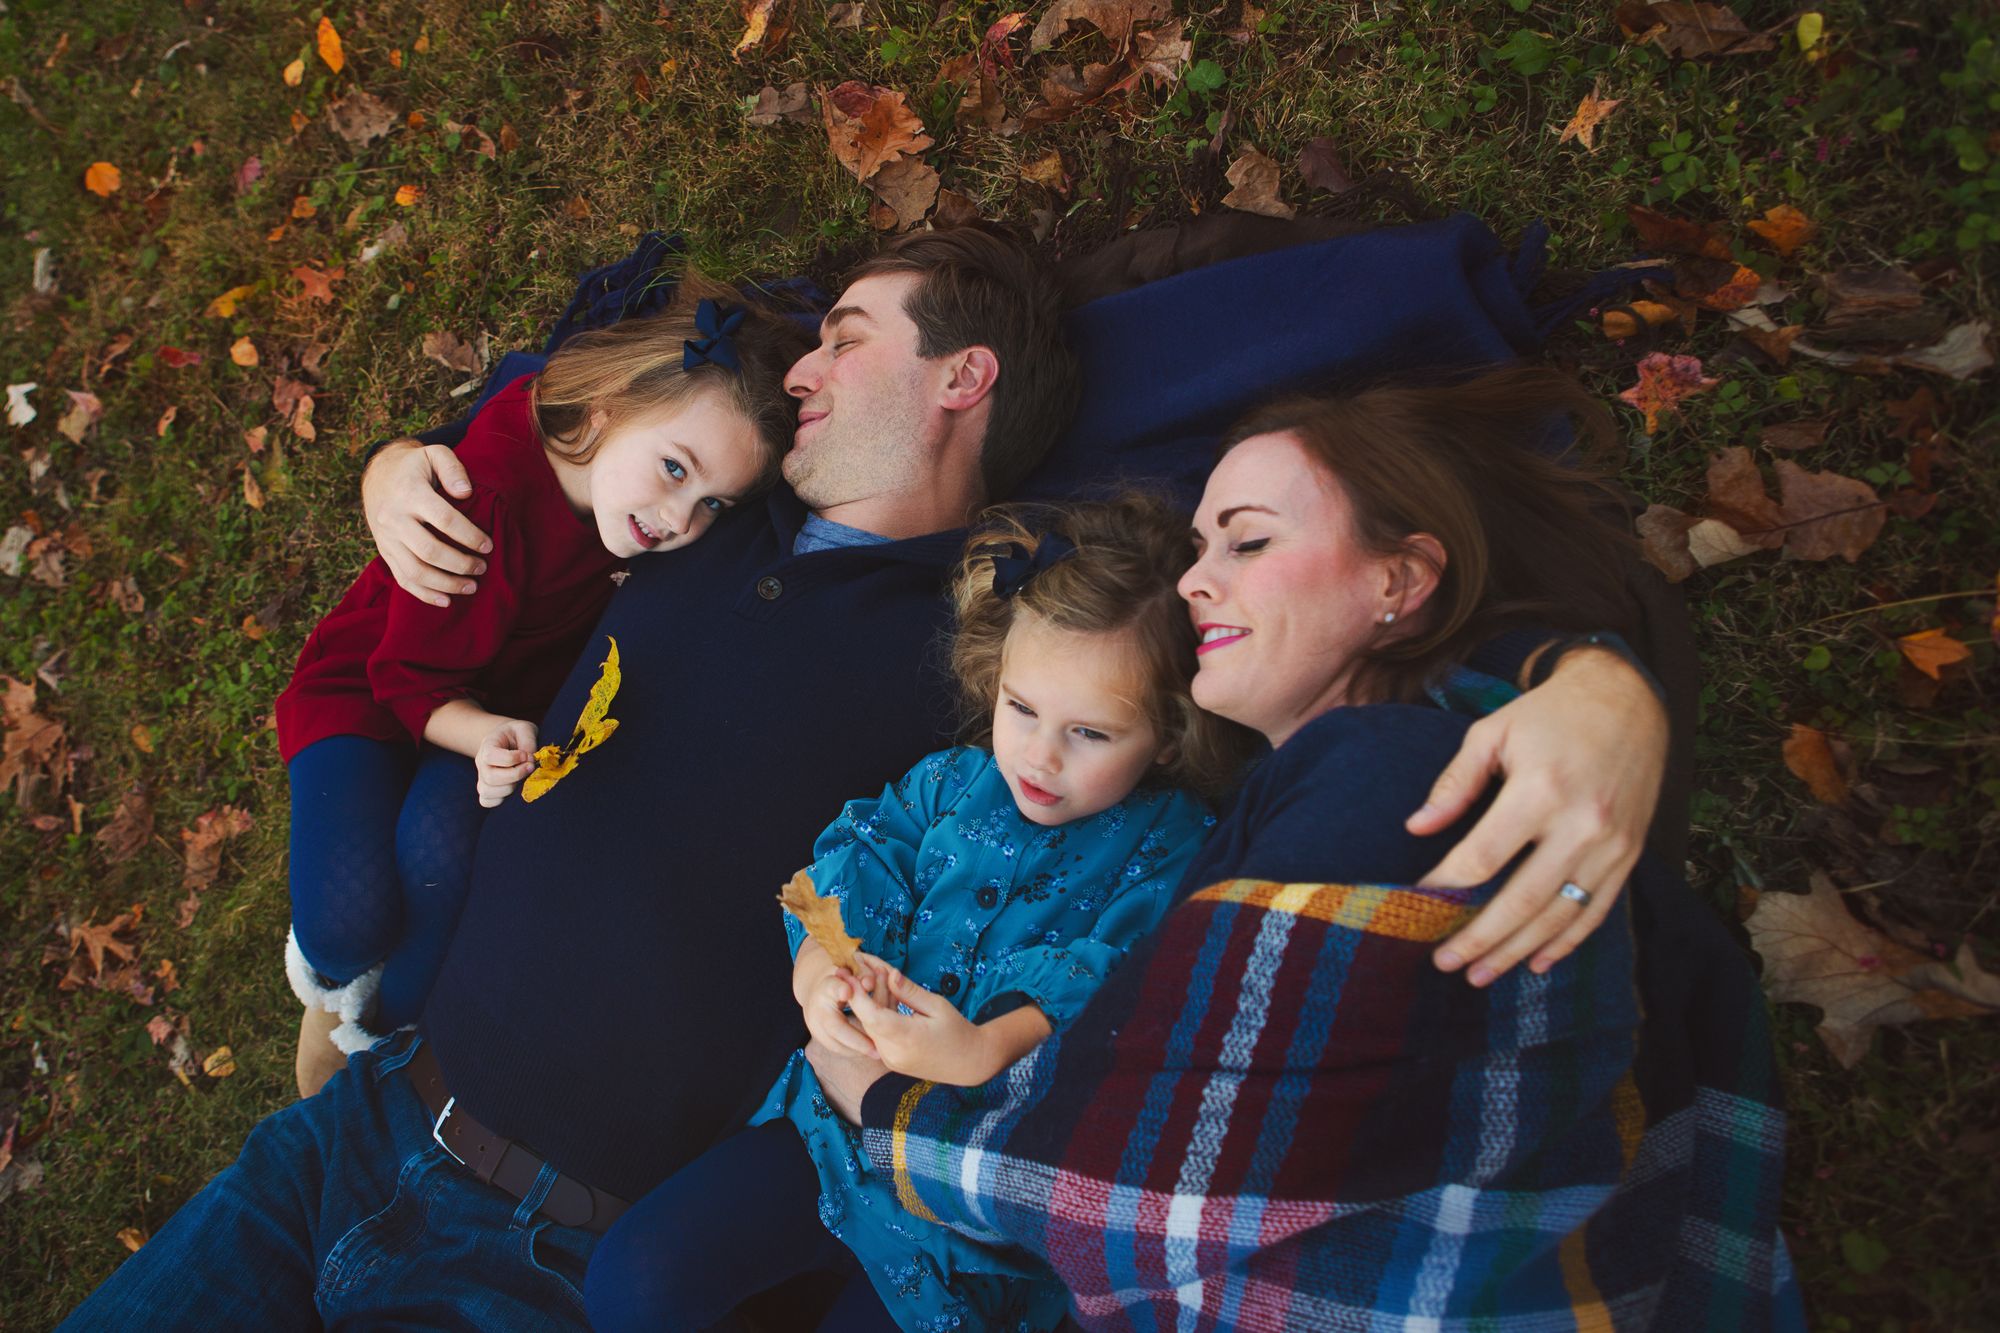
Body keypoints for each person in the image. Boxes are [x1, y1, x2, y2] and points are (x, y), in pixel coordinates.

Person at [60, 226, 1671, 1331]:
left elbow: (1341, 597)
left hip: (540, 1257)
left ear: (962, 382)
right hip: (347, 1134)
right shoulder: (703, 512)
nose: (800, 371)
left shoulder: (1018, 606)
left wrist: (1597, 688)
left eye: (843, 336)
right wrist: (397, 454)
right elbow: (604, 380)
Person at [812, 368, 1804, 1330]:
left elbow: (1130, 1201)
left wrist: (892, 1110)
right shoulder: (1351, 781)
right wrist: (1588, 675)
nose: (1194, 581)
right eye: (1200, 547)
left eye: (1245, 542)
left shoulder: (1382, 779)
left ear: (1399, 579)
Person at [584, 496, 1257, 1332]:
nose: (1041, 755)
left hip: (966, 1221)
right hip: (824, 1138)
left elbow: (1119, 977)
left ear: (1165, 735)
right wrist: (819, 967)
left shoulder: (1172, 843)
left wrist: (985, 1047)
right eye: (1021, 708)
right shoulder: (951, 781)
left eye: (1091, 733)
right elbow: (848, 863)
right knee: (633, 1282)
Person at [276, 279, 812, 1098]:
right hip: (380, 692)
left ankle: (377, 1038)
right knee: (345, 921)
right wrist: (483, 733)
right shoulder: (484, 498)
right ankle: (335, 987)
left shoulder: (625, 506)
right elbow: (405, 680)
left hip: (491, 703)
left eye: (710, 502)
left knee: (444, 861)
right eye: (674, 469)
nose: (677, 517)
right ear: (601, 410)